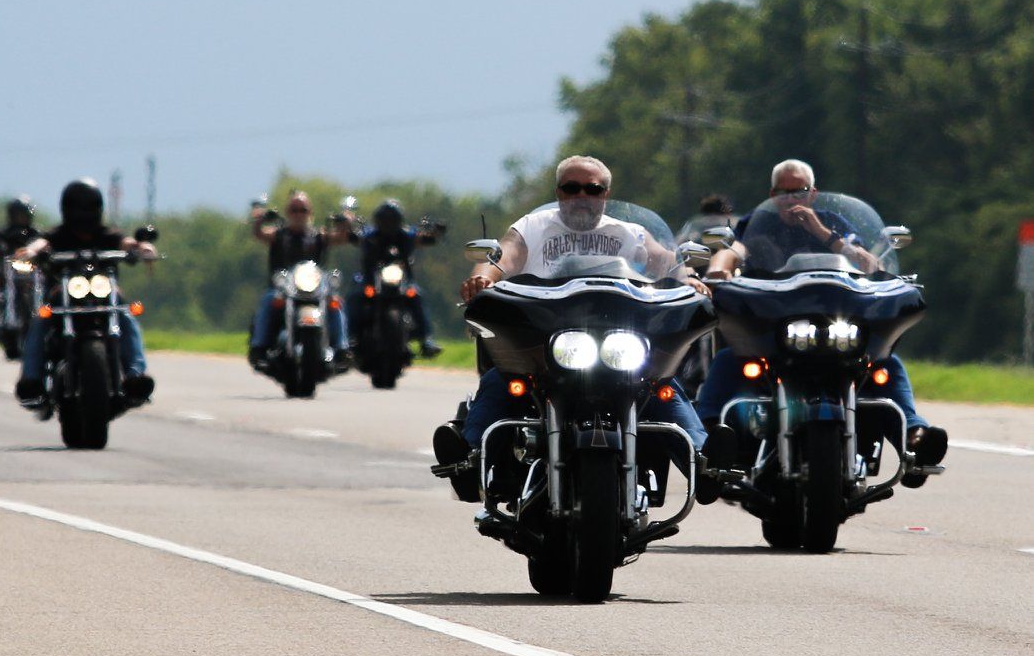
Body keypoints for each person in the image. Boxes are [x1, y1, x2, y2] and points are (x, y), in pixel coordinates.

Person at [433, 155, 719, 500]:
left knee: (659, 384)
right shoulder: (534, 227)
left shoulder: (629, 233)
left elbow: (668, 262)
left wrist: (691, 280)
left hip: (616, 345)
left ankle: (704, 464)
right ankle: (469, 459)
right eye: (572, 188)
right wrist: (483, 276)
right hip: (547, 346)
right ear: (558, 192)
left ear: (605, 194)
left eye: (592, 189)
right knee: (504, 381)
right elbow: (504, 256)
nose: (581, 196)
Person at [696, 159, 944, 473]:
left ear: (813, 193)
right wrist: (718, 271)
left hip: (836, 326)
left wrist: (821, 231)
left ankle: (915, 438)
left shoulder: (833, 222)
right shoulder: (759, 222)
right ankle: (707, 442)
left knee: (884, 365)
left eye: (798, 191)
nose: (791, 199)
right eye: (783, 192)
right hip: (778, 330)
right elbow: (734, 251)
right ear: (772, 193)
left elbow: (870, 265)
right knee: (730, 361)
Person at [14, 179, 157, 406]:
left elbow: (126, 242)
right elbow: (42, 243)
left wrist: (141, 248)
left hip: (104, 293)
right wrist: (31, 250)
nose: (83, 213)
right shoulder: (58, 234)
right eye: (77, 206)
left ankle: (135, 375)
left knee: (127, 316)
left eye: (88, 206)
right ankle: (31, 379)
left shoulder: (107, 234)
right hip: (63, 294)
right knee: (39, 322)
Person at [246, 190, 351, 370]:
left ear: (310, 213)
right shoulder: (278, 235)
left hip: (315, 288)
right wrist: (258, 218)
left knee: (335, 303)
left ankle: (342, 348)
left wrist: (346, 222)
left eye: (303, 210)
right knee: (269, 300)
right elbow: (260, 234)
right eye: (294, 210)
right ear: (287, 213)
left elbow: (342, 237)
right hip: (285, 287)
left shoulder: (320, 235)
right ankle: (259, 347)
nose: (298, 214)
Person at [348, 198, 444, 358]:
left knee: (417, 295)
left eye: (392, 220)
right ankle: (349, 340)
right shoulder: (370, 235)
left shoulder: (407, 235)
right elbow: (357, 236)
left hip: (401, 280)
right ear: (378, 221)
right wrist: (352, 234)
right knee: (355, 297)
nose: (388, 224)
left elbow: (424, 237)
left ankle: (426, 339)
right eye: (385, 220)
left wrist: (435, 232)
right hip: (371, 279)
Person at [0, 196, 41, 331]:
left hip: (32, 272)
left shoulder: (36, 234)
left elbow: (46, 245)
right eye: (17, 215)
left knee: (49, 284)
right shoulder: (2, 234)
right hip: (7, 272)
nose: (20, 218)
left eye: (23, 215)